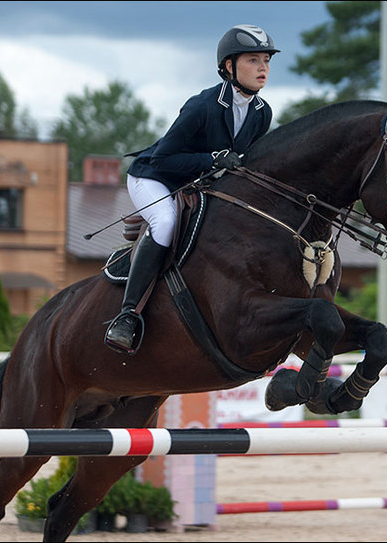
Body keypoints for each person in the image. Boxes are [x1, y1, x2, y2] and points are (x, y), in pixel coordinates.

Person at [105, 24, 279, 355]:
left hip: (197, 184)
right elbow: (164, 157)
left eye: (267, 61)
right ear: (229, 66)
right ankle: (127, 316)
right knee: (167, 223)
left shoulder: (261, 113)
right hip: (153, 176)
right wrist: (212, 158)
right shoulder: (202, 106)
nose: (263, 68)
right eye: (254, 60)